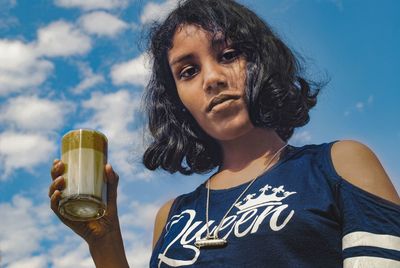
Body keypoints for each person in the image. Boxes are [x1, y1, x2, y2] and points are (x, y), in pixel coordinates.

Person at [49, 0, 400, 267]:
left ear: (261, 62)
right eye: (188, 71)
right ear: (177, 100)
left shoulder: (338, 164)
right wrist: (105, 241)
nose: (212, 78)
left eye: (229, 55)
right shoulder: (171, 216)